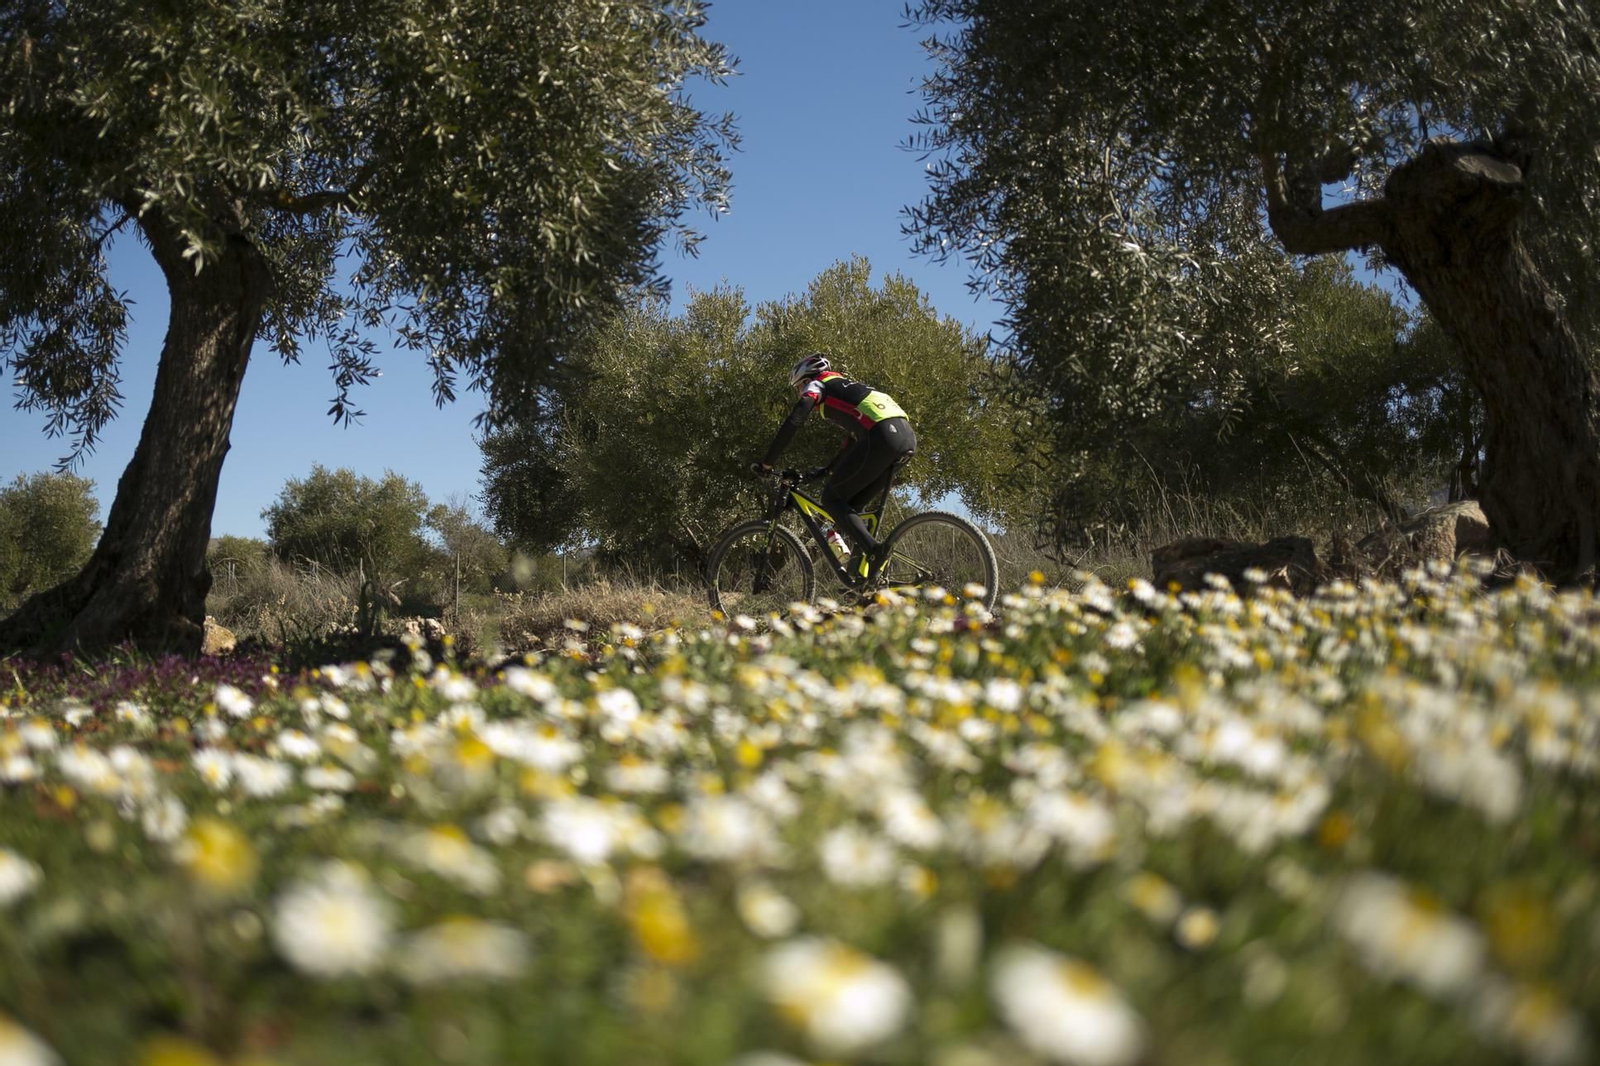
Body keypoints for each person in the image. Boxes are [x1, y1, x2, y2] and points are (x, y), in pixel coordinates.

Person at [750, 353, 916, 571]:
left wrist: (767, 463)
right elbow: (852, 441)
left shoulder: (818, 386)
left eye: (797, 388)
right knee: (849, 509)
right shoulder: (849, 388)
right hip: (906, 438)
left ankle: (876, 553)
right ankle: (863, 580)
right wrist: (827, 470)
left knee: (830, 499)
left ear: (807, 380)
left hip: (882, 436)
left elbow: (794, 421)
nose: (799, 393)